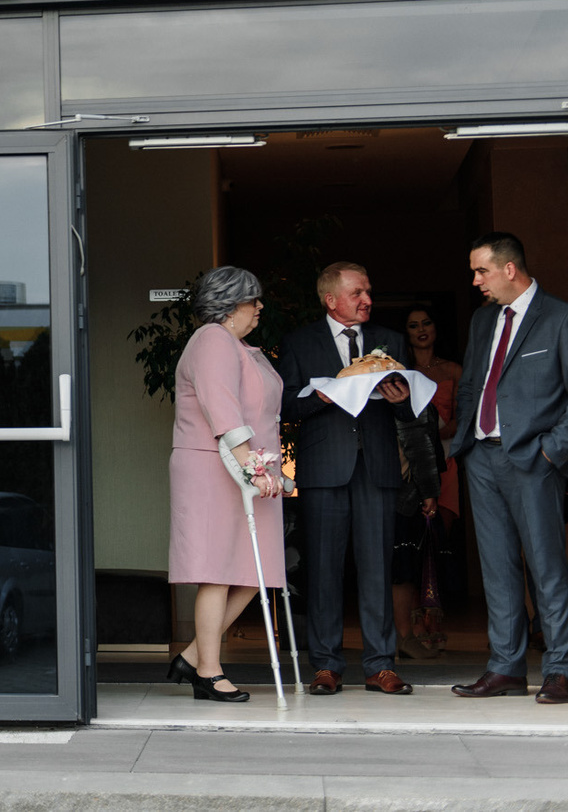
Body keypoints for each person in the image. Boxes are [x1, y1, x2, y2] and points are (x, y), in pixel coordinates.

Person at [450, 232, 568, 706]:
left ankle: (559, 670)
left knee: (546, 566)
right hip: (481, 457)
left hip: (534, 459)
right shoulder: (483, 319)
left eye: (481, 271)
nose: (476, 281)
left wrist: (551, 452)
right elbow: (472, 384)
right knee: (497, 569)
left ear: (509, 269)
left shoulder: (563, 318)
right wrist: (466, 441)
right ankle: (506, 668)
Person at [277, 262, 415, 697]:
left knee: (378, 568)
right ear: (331, 299)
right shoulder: (299, 342)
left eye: (368, 291)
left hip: (377, 466)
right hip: (324, 468)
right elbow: (285, 407)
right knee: (322, 570)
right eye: (358, 293)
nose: (367, 300)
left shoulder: (391, 340)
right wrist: (322, 394)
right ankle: (326, 665)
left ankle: (380, 665)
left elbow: (410, 410)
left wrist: (402, 400)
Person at [166, 266, 284, 704]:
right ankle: (208, 673)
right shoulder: (212, 339)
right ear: (232, 304)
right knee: (217, 571)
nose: (260, 307)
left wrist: (266, 470)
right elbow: (223, 411)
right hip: (214, 468)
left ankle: (192, 655)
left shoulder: (241, 347)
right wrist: (255, 469)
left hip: (247, 469)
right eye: (254, 299)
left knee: (257, 568)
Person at [390, 390, 445, 658]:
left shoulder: (416, 395)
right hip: (373, 488)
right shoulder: (359, 391)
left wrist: (428, 490)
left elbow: (427, 448)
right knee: (389, 566)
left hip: (406, 490)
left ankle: (403, 636)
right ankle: (393, 637)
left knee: (405, 565)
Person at [405, 306, 463, 515]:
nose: (421, 329)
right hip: (409, 459)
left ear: (435, 327)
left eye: (426, 323)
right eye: (413, 325)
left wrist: (438, 437)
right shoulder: (401, 372)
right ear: (406, 332)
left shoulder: (453, 369)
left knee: (443, 522)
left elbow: (462, 417)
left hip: (446, 455)